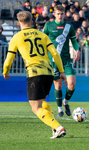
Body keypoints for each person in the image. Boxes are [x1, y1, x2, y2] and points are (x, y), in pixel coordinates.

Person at [3, 11, 67, 139]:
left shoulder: (17, 37)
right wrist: (61, 71)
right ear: (31, 22)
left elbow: (9, 58)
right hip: (48, 73)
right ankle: (55, 129)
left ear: (19, 23)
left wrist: (5, 71)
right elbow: (55, 54)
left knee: (35, 107)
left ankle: (59, 127)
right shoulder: (42, 35)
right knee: (42, 102)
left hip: (35, 73)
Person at [44, 5, 80, 117]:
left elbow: (74, 41)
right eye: (58, 14)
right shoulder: (48, 26)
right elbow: (42, 40)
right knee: (58, 86)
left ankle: (66, 101)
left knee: (72, 84)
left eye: (62, 14)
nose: (60, 16)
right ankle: (60, 108)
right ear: (54, 14)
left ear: (64, 14)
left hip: (66, 60)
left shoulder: (69, 26)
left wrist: (77, 50)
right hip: (53, 60)